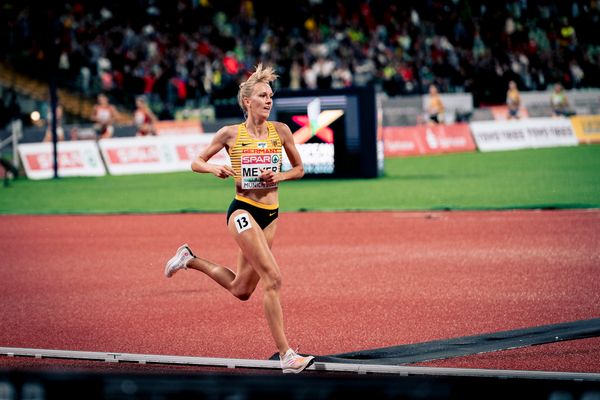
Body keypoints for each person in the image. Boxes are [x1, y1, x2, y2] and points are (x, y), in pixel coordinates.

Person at [164, 64, 315, 374]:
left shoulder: (281, 131)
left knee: (241, 289)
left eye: (271, 96)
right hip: (242, 211)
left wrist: (280, 175)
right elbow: (197, 160)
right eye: (262, 95)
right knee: (273, 278)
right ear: (248, 101)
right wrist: (212, 168)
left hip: (270, 214)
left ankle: (189, 259)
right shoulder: (230, 133)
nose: (269, 101)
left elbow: (300, 169)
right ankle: (286, 355)